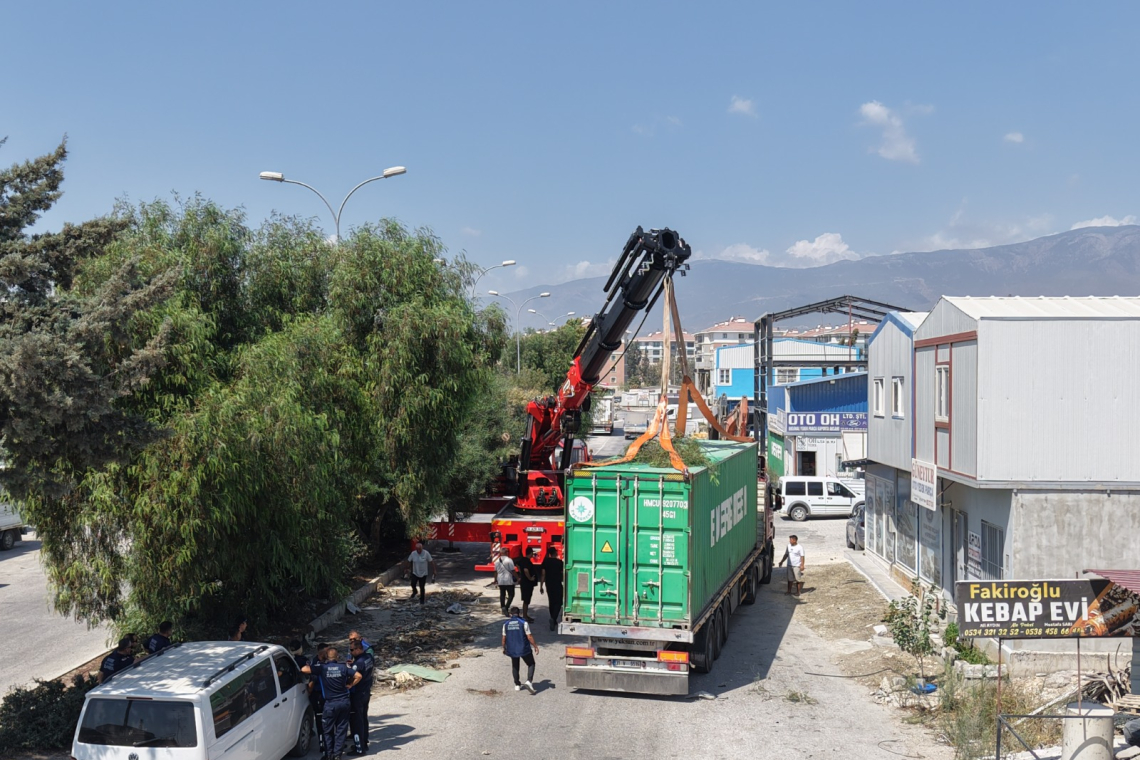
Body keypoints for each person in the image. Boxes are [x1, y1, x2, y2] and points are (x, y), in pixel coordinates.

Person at [303, 646, 360, 760]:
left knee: (327, 730)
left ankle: (329, 755)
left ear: (326, 657)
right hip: (344, 702)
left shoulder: (322, 668)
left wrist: (317, 663)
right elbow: (359, 676)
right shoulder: (343, 667)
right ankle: (338, 755)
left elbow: (304, 669)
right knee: (341, 730)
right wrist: (350, 685)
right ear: (337, 657)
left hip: (330, 704)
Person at [502, 606, 539, 694]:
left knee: (515, 665)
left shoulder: (506, 624)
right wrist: (535, 646)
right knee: (531, 663)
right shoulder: (523, 622)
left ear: (510, 614)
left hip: (512, 649)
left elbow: (504, 638)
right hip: (524, 648)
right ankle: (529, 681)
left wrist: (504, 648)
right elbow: (529, 636)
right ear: (519, 614)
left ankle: (517, 685)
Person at [347, 639, 374, 755]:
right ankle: (364, 742)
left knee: (357, 720)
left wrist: (349, 684)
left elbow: (354, 676)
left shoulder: (358, 664)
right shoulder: (369, 657)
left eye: (352, 650)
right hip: (366, 691)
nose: (351, 652)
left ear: (359, 649)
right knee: (363, 717)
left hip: (358, 693)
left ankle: (360, 749)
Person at [308, 643, 330, 756]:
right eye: (327, 651)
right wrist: (309, 693)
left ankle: (332, 742)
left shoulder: (328, 661)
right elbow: (311, 682)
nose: (329, 653)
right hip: (318, 695)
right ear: (321, 653)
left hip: (328, 695)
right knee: (320, 719)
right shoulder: (315, 664)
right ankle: (322, 742)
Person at [540, 544, 565, 631]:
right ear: (555, 553)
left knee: (551, 601)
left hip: (548, 584)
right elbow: (564, 573)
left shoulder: (546, 562)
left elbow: (543, 574)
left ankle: (553, 620)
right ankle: (553, 618)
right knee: (558, 602)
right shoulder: (559, 562)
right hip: (557, 584)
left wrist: (541, 586)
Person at [517, 548, 539, 623]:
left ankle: (525, 615)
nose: (533, 554)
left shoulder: (522, 560)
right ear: (530, 553)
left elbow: (518, 565)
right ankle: (525, 616)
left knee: (526, 600)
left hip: (524, 582)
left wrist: (521, 573)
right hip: (527, 583)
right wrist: (530, 578)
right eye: (532, 553)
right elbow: (526, 570)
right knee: (526, 600)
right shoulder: (526, 561)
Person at [494, 549, 517, 616]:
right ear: (506, 552)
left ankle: (503, 607)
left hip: (500, 580)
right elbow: (513, 571)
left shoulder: (497, 561)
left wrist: (495, 580)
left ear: (501, 553)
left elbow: (495, 572)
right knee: (511, 595)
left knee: (502, 595)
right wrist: (518, 578)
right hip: (508, 580)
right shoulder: (509, 560)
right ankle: (506, 607)